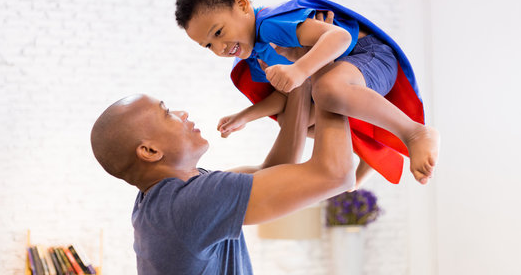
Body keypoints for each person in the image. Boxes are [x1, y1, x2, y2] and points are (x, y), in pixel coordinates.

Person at [175, 0, 440, 185]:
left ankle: (414, 133)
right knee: (297, 123)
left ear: (242, 5)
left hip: (369, 55)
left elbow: (339, 37)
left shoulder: (270, 24)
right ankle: (368, 153)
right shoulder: (256, 55)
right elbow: (284, 95)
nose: (219, 47)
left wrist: (300, 69)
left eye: (218, 32)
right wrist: (245, 115)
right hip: (349, 72)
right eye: (208, 45)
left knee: (326, 88)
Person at [90, 81, 355, 274]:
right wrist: (329, 86)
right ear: (150, 151)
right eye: (167, 112)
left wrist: (302, 78)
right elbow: (337, 174)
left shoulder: (164, 201)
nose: (183, 113)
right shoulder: (187, 205)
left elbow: (276, 169)